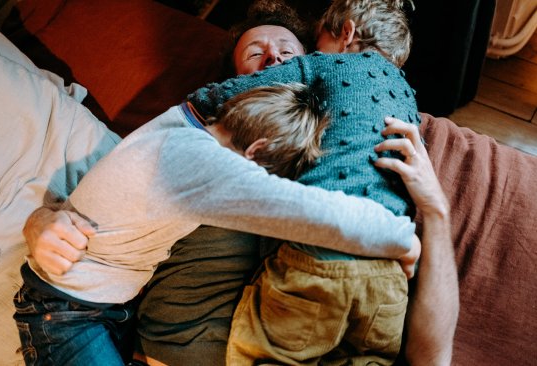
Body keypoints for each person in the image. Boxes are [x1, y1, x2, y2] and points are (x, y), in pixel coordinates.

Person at [23, 1, 458, 365]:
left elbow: (431, 359)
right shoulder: (199, 156)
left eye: (291, 55)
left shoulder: (384, 151)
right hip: (89, 311)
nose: (275, 62)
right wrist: (42, 220)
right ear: (237, 91)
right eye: (256, 56)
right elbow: (99, 184)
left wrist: (436, 213)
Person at [14, 83, 419, 365]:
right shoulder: (202, 165)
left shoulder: (178, 125)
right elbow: (315, 213)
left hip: (102, 307)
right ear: (256, 152)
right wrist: (402, 237)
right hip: (65, 312)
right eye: (261, 175)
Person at [187, 1, 448, 364]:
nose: (279, 60)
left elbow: (240, 89)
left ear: (347, 33)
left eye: (316, 42)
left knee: (263, 353)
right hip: (388, 277)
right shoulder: (408, 100)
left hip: (319, 259)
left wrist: (192, 107)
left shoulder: (326, 64)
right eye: (257, 51)